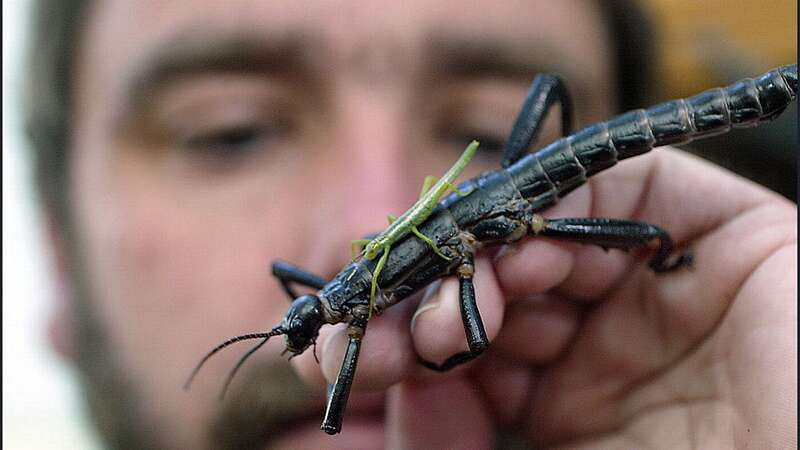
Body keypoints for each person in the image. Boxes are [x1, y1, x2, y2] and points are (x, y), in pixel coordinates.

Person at [24, 0, 796, 449]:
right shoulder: (346, 316)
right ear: (61, 255)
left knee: (635, 226)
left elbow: (351, 403)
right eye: (232, 130)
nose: (363, 216)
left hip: (518, 203)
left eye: (490, 124)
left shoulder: (350, 322)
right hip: (484, 225)